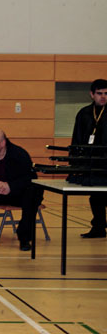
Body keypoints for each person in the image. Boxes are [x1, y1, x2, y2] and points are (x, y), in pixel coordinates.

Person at [70, 79, 107, 238]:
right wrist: (75, 162)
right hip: (92, 164)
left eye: (106, 93)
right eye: (99, 93)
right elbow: (77, 138)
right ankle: (99, 228)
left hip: (106, 163)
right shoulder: (84, 113)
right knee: (96, 197)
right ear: (92, 94)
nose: (103, 96)